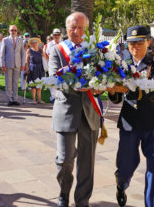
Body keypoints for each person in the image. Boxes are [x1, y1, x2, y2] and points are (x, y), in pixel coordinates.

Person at [48, 12, 102, 207]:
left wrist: (102, 84)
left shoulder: (95, 50)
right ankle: (64, 192)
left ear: (86, 30)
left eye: (81, 28)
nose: (77, 32)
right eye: (73, 28)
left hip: (89, 112)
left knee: (87, 163)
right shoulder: (57, 50)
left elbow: (103, 74)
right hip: (66, 111)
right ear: (66, 29)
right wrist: (83, 85)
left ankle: (82, 200)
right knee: (64, 160)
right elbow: (56, 77)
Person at [107, 25, 154, 207]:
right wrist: (111, 88)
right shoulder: (121, 66)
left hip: (152, 122)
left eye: (140, 42)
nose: (135, 47)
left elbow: (151, 91)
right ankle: (121, 185)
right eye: (132, 43)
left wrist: (127, 87)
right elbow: (116, 99)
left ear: (148, 42)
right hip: (128, 122)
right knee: (125, 166)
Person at [0, 25, 26, 106]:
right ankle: (9, 99)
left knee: (15, 82)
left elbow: (23, 53)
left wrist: (23, 64)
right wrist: (2, 64)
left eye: (14, 30)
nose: (13, 32)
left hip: (17, 64)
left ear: (17, 31)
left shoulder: (20, 40)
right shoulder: (5, 40)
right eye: (12, 30)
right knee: (8, 83)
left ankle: (15, 99)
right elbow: (2, 53)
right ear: (9, 31)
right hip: (8, 64)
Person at [25, 37, 44, 104]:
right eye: (32, 43)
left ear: (37, 43)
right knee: (33, 85)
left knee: (39, 84)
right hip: (32, 68)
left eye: (35, 42)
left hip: (40, 68)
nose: (34, 44)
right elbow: (27, 61)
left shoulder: (41, 50)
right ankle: (34, 100)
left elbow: (44, 58)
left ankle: (39, 99)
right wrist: (27, 68)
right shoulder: (29, 50)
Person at [46, 28, 62, 103]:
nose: (56, 36)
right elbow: (47, 54)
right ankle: (53, 97)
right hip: (52, 64)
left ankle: (59, 96)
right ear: (53, 35)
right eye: (55, 34)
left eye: (58, 34)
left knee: (61, 80)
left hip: (61, 64)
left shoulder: (62, 43)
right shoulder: (50, 44)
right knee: (52, 80)